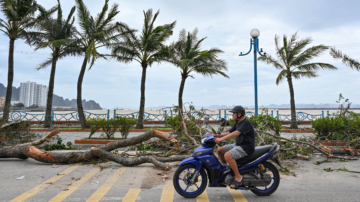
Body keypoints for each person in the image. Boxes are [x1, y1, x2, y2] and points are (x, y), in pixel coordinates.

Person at [215, 105, 255, 189]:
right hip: (238, 144)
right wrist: (216, 135)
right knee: (220, 150)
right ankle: (226, 170)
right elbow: (229, 132)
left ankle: (238, 176)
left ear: (239, 114)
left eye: (234, 113)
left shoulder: (246, 123)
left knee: (227, 155)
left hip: (246, 147)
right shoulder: (238, 122)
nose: (232, 115)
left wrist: (221, 139)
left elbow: (235, 133)